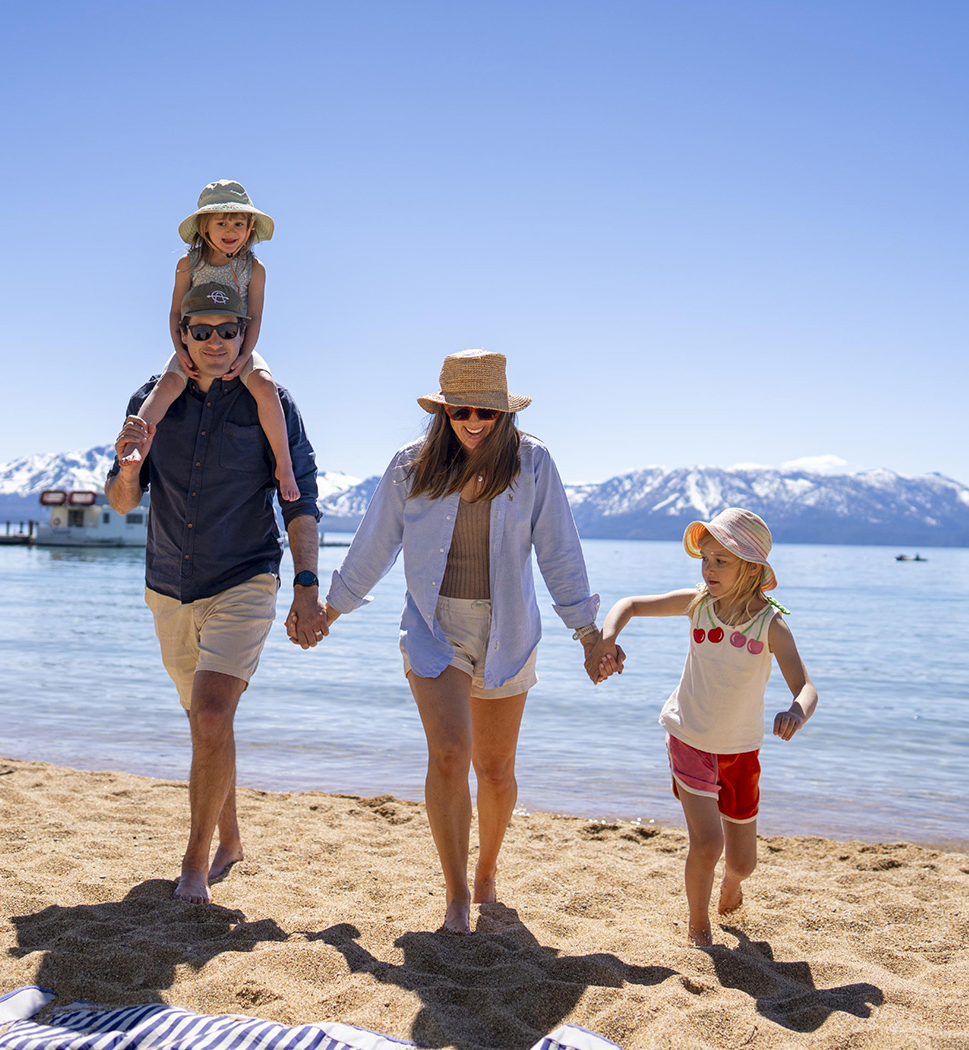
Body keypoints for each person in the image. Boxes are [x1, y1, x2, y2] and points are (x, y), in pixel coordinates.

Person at [309, 350, 611, 934]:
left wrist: (588, 634)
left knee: (495, 770)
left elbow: (559, 551)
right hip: (434, 626)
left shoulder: (533, 464)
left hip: (509, 628)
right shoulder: (412, 466)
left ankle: (487, 873)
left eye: (486, 413)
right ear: (443, 411)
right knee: (450, 753)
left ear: (505, 415)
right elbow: (374, 544)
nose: (473, 422)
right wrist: (331, 609)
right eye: (460, 411)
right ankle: (453, 895)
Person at [106, 278, 328, 905]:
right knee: (207, 721)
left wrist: (307, 587)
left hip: (246, 574)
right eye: (199, 330)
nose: (212, 342)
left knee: (209, 713)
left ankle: (195, 864)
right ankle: (230, 838)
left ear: (243, 334)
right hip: (169, 583)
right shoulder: (151, 400)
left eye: (225, 331)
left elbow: (301, 497)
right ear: (181, 334)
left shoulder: (270, 401)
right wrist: (127, 466)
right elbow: (123, 503)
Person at [593, 507, 818, 946]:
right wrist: (608, 636)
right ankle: (698, 926)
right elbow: (631, 605)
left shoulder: (770, 625)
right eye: (705, 559)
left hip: (741, 751)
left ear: (752, 569)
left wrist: (796, 712)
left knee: (743, 861)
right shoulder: (698, 605)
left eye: (721, 561)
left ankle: (732, 886)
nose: (708, 569)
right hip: (689, 738)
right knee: (707, 843)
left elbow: (806, 686)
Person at [133, 180, 301, 503]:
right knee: (166, 385)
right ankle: (137, 444)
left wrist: (244, 356)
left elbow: (254, 317)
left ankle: (285, 465)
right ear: (204, 226)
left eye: (238, 223)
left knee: (265, 387)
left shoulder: (254, 268)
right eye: (221, 222)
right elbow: (174, 313)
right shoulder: (188, 265)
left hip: (237, 344)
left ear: (250, 226)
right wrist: (180, 351)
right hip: (193, 343)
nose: (230, 230)